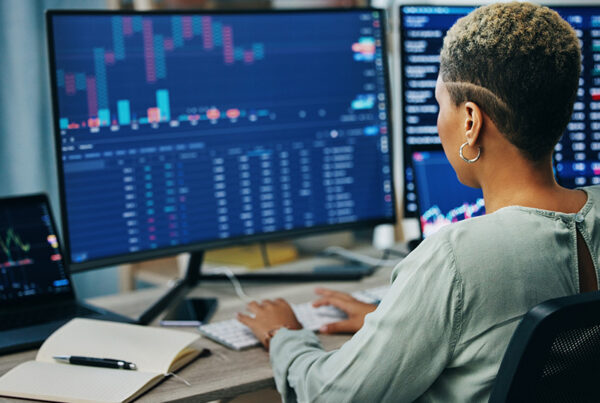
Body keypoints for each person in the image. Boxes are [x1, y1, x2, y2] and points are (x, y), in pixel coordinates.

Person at [237, 2, 600, 401]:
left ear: (470, 122)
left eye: (439, 104)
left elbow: (331, 396)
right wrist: (393, 321)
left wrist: (285, 335)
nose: (437, 120)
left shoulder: (454, 258)